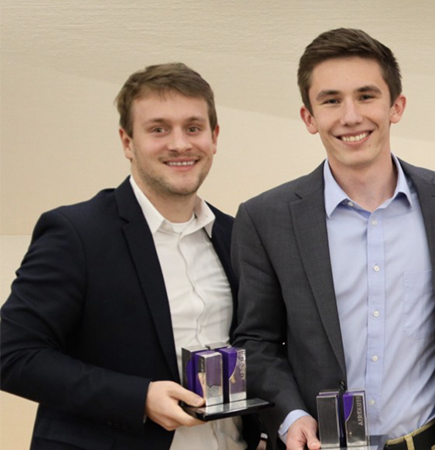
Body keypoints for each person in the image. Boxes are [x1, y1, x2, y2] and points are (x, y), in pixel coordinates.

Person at [230, 28, 435, 450]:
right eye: (331, 100)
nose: (350, 116)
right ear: (309, 117)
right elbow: (255, 342)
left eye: (366, 96)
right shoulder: (265, 218)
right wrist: (290, 416)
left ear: (395, 106)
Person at [0, 63, 261, 449]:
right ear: (127, 141)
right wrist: (138, 398)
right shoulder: (77, 233)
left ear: (214, 137)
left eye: (193, 128)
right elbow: (12, 354)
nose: (179, 144)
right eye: (158, 129)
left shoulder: (237, 233)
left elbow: (259, 345)